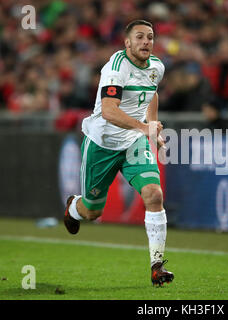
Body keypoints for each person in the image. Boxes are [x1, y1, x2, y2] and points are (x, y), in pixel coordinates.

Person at [63, 20, 174, 287]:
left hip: (134, 143)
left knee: (154, 194)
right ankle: (73, 209)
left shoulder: (156, 67)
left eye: (150, 37)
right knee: (91, 212)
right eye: (140, 37)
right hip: (102, 143)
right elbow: (110, 111)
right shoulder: (115, 68)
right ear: (127, 43)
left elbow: (151, 93)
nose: (146, 41)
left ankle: (156, 265)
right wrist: (145, 126)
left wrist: (152, 129)